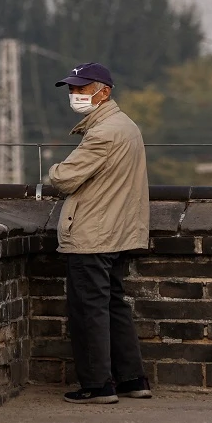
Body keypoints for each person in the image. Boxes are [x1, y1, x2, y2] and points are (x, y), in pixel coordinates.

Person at [46, 62, 151, 405]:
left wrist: (53, 169)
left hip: (93, 233)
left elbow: (64, 178)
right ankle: (132, 379)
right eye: (72, 90)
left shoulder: (104, 132)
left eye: (81, 89)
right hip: (117, 230)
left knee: (88, 310)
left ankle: (97, 385)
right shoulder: (127, 127)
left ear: (103, 92)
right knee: (113, 305)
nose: (75, 96)